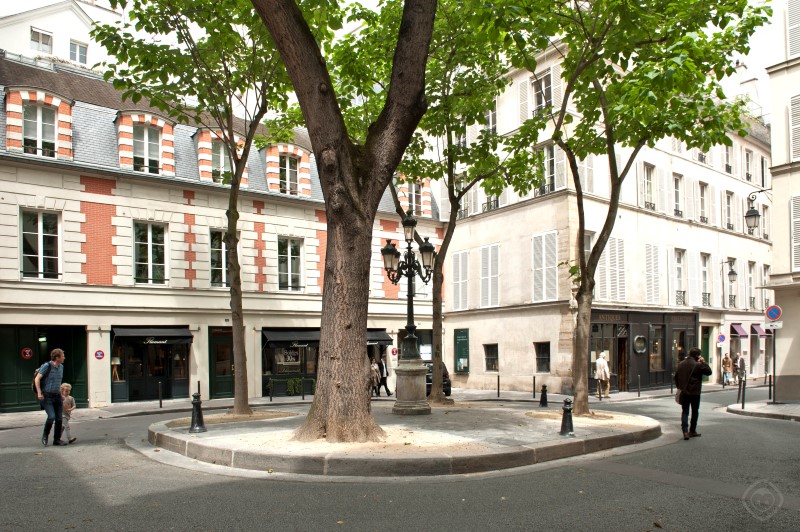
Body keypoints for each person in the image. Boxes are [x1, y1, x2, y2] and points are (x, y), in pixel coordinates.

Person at [674, 347, 712, 440]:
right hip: (695, 392)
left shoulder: (681, 364)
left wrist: (680, 387)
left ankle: (685, 432)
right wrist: (703, 362)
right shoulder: (698, 365)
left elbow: (676, 377)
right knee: (695, 411)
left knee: (685, 412)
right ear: (697, 356)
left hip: (684, 392)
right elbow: (709, 372)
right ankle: (692, 430)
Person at [34, 348, 66, 446]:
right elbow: (37, 379)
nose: (64, 358)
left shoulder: (61, 367)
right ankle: (45, 435)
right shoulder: (47, 366)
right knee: (51, 416)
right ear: (57, 357)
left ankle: (57, 440)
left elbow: (58, 382)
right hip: (47, 396)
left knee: (59, 419)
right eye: (62, 356)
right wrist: (39, 392)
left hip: (57, 396)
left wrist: (61, 394)